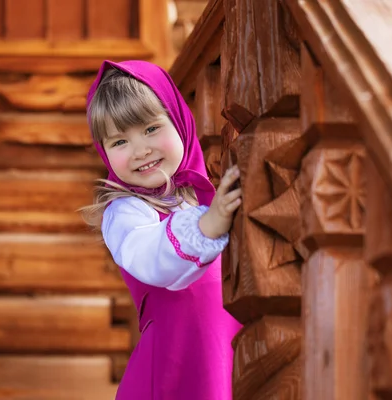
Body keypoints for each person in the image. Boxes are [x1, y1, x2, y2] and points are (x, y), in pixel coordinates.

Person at [81, 60, 242, 400]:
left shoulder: (203, 195)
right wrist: (207, 225)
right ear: (104, 152)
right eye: (119, 142)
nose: (141, 150)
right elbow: (150, 255)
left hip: (228, 352)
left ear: (179, 121)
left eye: (151, 129)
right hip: (175, 369)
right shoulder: (125, 212)